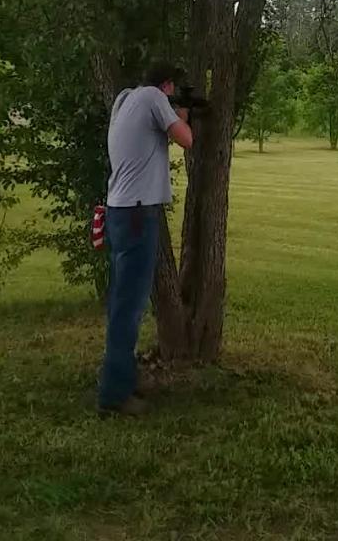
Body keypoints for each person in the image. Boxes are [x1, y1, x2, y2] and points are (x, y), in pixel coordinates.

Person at [98, 61, 193, 416]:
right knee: (129, 306)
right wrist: (181, 114)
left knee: (124, 301)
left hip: (121, 211)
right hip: (138, 212)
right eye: (172, 91)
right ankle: (113, 395)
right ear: (166, 85)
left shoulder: (125, 100)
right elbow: (186, 139)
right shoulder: (154, 97)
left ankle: (123, 377)